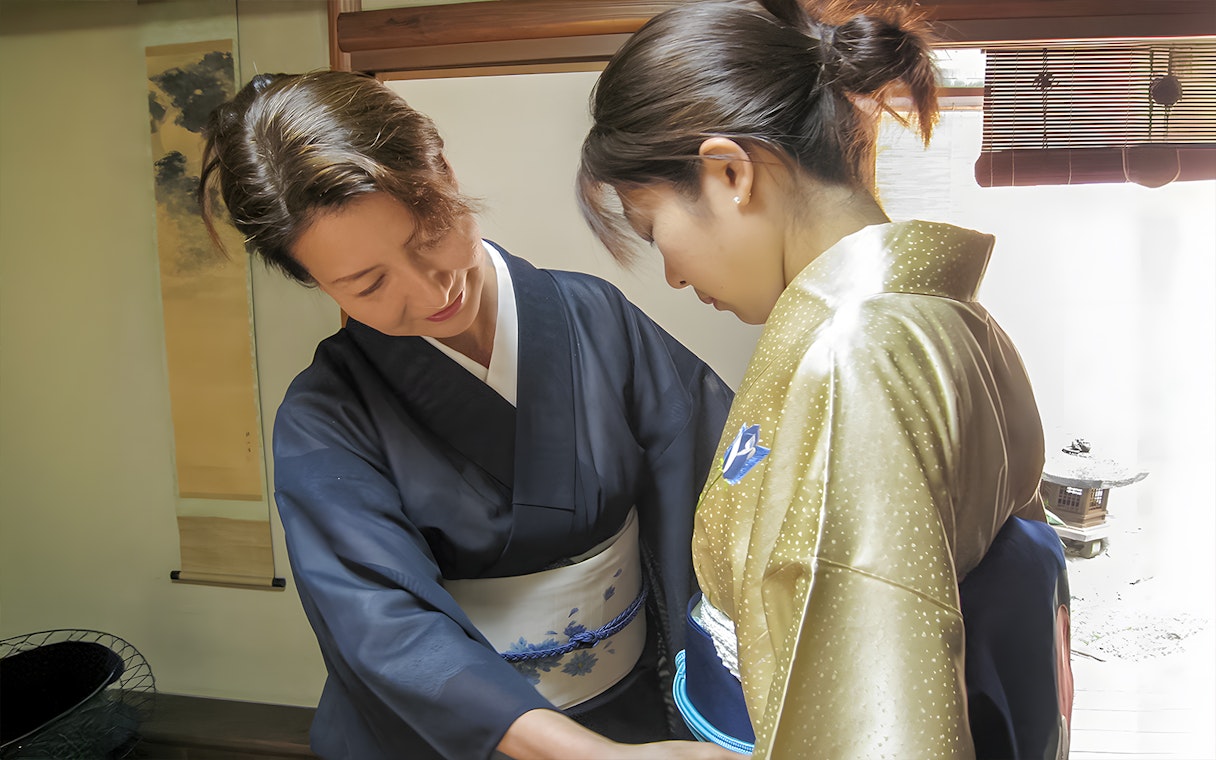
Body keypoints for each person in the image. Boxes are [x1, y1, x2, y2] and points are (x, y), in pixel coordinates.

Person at [577, 0, 1072, 758]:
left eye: (655, 231)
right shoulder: (943, 317)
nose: (672, 272)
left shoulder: (857, 353)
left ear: (730, 172)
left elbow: (878, 720)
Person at [198, 70, 739, 760]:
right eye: (368, 285)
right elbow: (387, 634)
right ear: (315, 282)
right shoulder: (326, 418)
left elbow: (722, 483)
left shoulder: (593, 319)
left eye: (428, 234)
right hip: (455, 740)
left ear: (443, 171)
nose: (428, 291)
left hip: (626, 713)